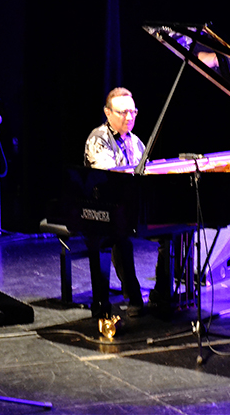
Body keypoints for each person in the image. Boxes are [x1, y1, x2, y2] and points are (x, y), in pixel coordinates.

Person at [83, 87, 148, 318]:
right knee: (121, 237)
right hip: (98, 207)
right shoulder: (98, 138)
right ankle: (131, 297)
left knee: (173, 231)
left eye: (133, 112)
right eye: (122, 112)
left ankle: (163, 293)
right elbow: (110, 176)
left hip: (125, 205)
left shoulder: (136, 141)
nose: (129, 117)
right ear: (107, 113)